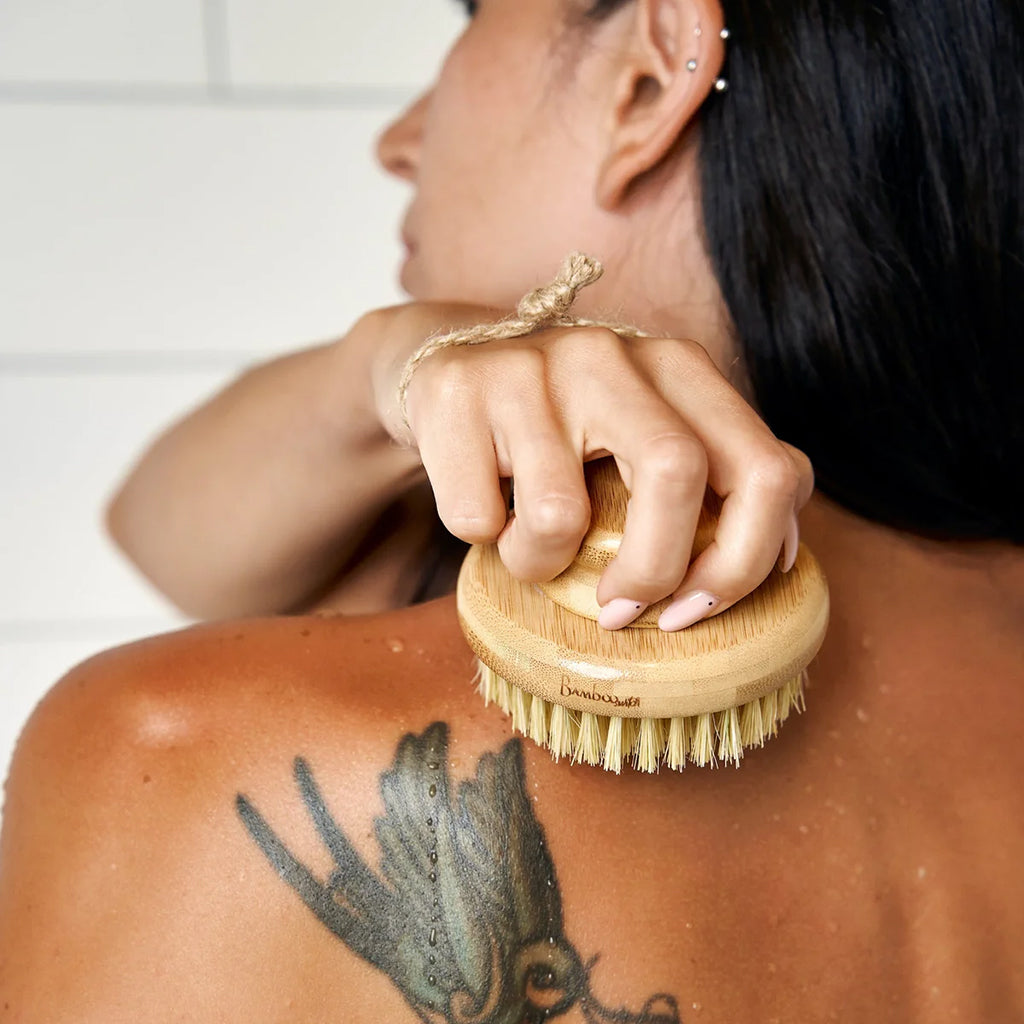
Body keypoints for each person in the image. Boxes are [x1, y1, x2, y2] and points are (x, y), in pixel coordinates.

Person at [1, 0, 1022, 1019]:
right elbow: (164, 529)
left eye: (480, 15)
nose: (398, 142)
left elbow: (157, 544)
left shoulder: (186, 757)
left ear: (649, 78)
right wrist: (393, 358)